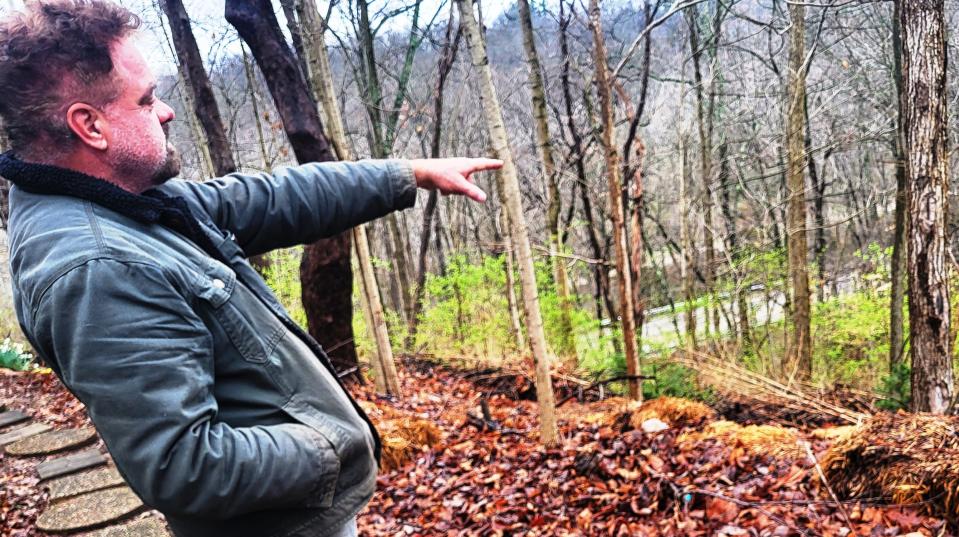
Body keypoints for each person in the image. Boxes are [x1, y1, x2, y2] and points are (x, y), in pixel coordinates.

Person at [0, 2, 499, 536]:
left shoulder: (123, 202)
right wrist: (335, 440)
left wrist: (407, 175)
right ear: (89, 125)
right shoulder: (98, 268)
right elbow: (185, 465)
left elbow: (265, 198)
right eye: (146, 100)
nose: (166, 110)